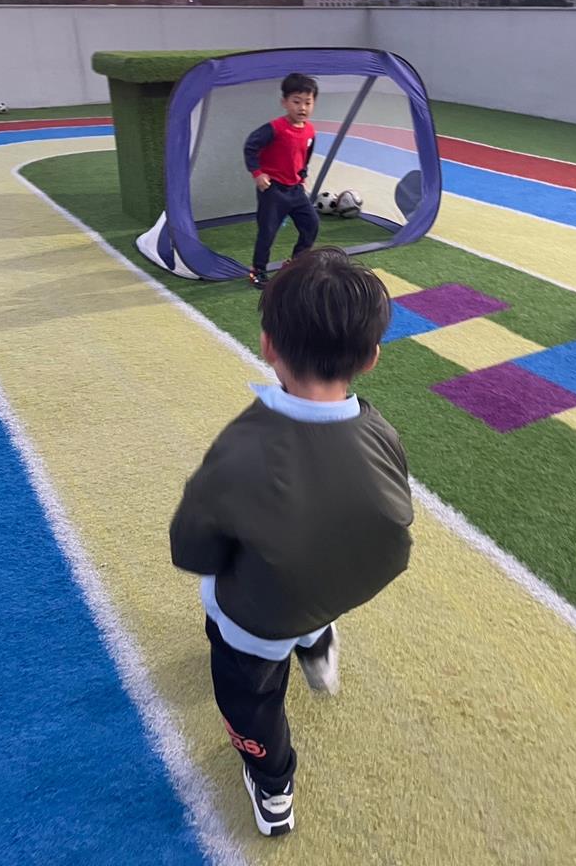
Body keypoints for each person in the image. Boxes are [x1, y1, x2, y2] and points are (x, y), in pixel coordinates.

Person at [169, 248, 413, 837]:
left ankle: (273, 783)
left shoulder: (243, 445)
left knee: (248, 697)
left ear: (268, 345)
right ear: (372, 357)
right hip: (337, 585)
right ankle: (316, 641)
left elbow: (192, 546)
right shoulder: (380, 431)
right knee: (308, 582)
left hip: (255, 618)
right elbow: (391, 518)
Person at [244, 73, 321, 290]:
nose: (302, 107)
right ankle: (258, 270)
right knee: (267, 231)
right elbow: (250, 146)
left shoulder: (310, 130)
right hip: (273, 190)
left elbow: (306, 153)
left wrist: (302, 175)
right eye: (296, 102)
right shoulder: (274, 128)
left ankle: (296, 263)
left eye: (308, 102)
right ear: (284, 102)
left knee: (311, 224)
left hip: (295, 190)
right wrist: (258, 173)